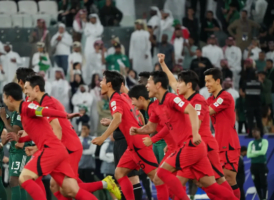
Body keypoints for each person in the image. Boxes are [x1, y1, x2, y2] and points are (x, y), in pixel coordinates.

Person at [132, 70, 238, 200]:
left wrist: (194, 134)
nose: (146, 86)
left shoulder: (185, 99)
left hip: (196, 144)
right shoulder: (165, 103)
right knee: (209, 185)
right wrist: (138, 130)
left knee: (162, 177)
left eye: (148, 82)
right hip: (189, 146)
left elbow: (194, 114)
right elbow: (156, 126)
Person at [24, 76, 120, 199]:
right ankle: (105, 183)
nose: (25, 93)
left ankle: (105, 184)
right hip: (63, 147)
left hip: (69, 147)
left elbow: (56, 131)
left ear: (36, 88)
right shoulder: (41, 102)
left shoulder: (47, 103)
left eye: (26, 88)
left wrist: (40, 148)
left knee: (69, 189)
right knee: (56, 186)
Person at [2, 83, 98, 200]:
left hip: (50, 150)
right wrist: (21, 139)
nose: (4, 101)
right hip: (57, 150)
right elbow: (38, 132)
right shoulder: (23, 112)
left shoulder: (28, 107)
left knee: (24, 177)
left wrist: (65, 115)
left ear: (10, 98)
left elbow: (46, 111)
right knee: (72, 190)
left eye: (4, 97)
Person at [158, 54, 235, 195]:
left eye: (180, 82)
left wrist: (176, 145)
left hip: (204, 143)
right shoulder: (181, 96)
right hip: (190, 146)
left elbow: (196, 123)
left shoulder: (198, 100)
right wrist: (163, 63)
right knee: (185, 185)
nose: (177, 85)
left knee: (218, 180)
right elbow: (172, 81)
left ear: (189, 85)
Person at [92, 71, 168, 200]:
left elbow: (118, 119)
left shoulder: (115, 100)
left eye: (103, 80)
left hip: (139, 145)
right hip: (132, 145)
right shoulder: (125, 97)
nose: (100, 83)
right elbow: (136, 116)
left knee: (156, 178)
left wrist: (102, 137)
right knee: (119, 172)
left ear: (109, 84)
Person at [205, 68, 241, 198]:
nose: (206, 84)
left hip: (229, 143)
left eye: (209, 81)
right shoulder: (209, 100)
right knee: (216, 181)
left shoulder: (225, 96)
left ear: (218, 81)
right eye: (205, 81)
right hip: (217, 144)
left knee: (229, 178)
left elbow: (206, 112)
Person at [0, 105, 32, 200]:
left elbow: (14, 132)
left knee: (14, 181)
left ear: (10, 98)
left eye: (5, 98)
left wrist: (4, 119)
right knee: (19, 182)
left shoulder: (19, 112)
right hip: (14, 150)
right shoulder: (14, 113)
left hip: (21, 151)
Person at [247, 127, 269, 200]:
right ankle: (260, 198)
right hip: (254, 165)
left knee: (263, 183)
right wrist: (258, 153)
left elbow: (263, 152)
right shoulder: (251, 143)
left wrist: (253, 152)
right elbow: (248, 155)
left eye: (255, 132)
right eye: (253, 132)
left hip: (262, 165)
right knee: (257, 184)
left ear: (259, 132)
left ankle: (264, 198)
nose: (254, 133)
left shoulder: (264, 141)